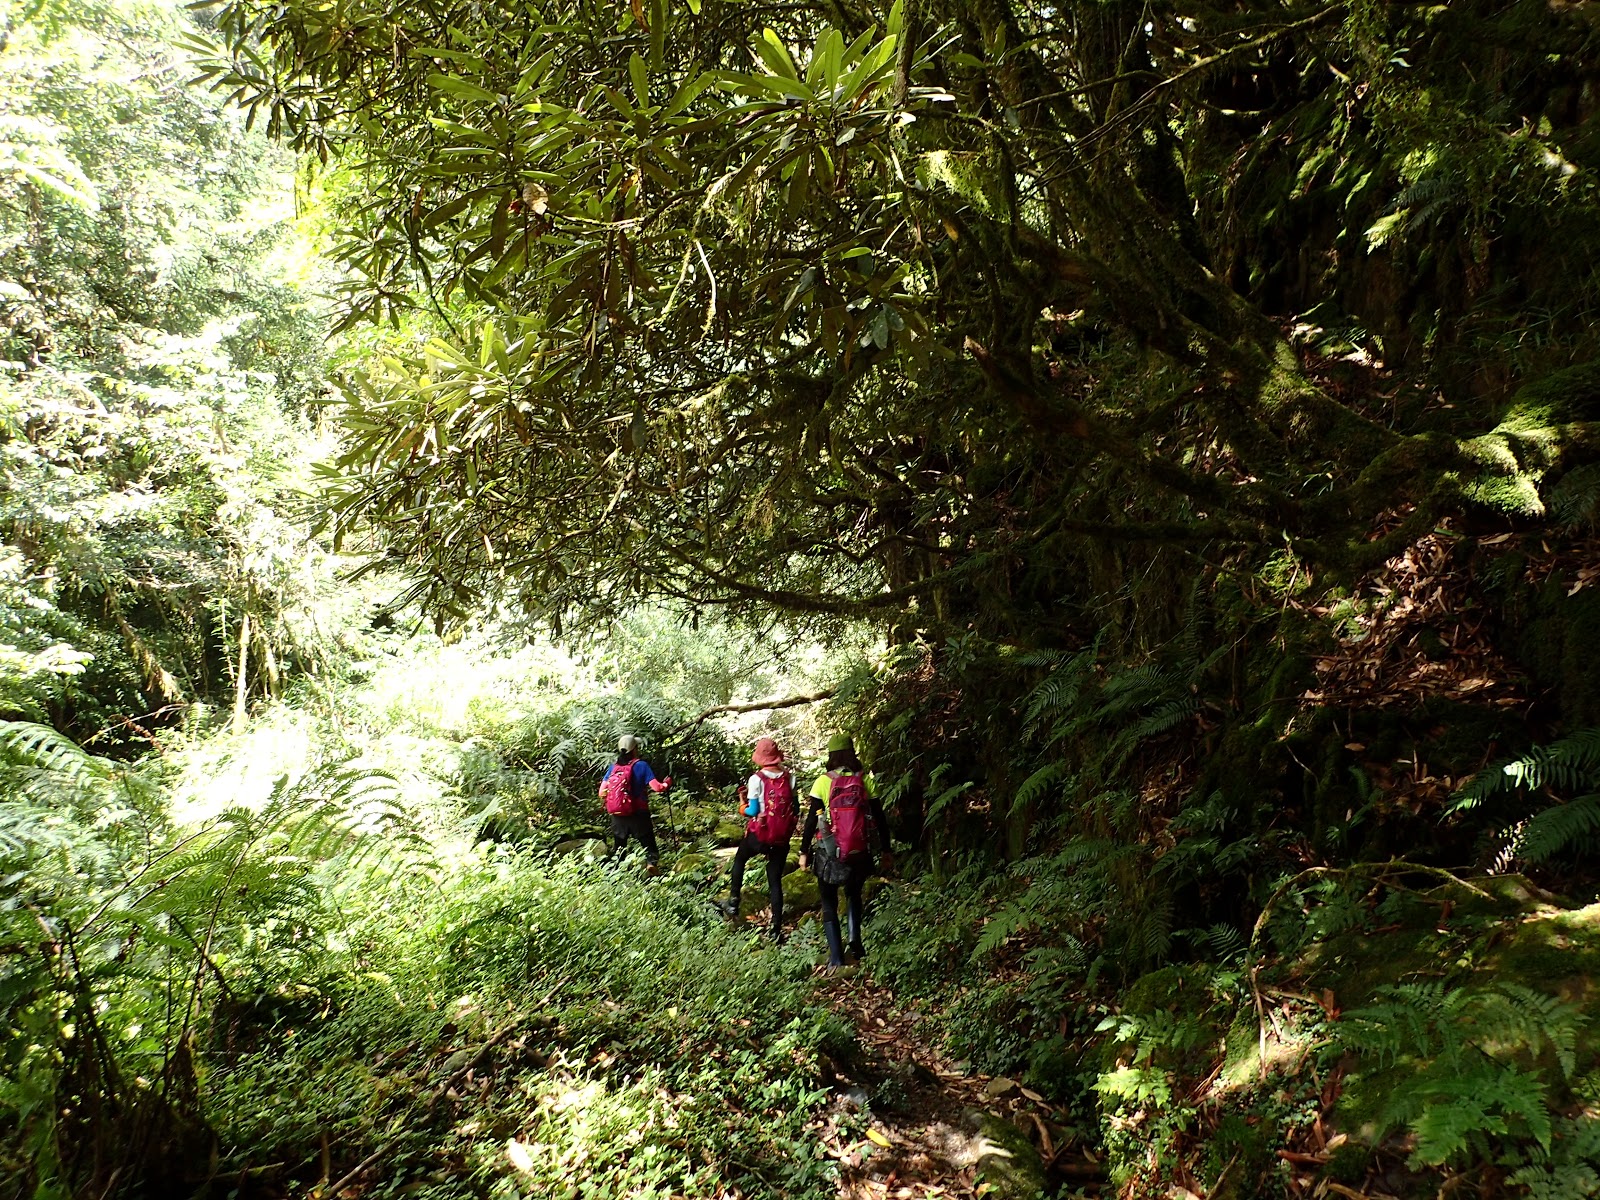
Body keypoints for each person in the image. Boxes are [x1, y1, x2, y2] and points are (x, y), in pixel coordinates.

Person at [799, 733, 892, 971]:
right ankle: (855, 941)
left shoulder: (823, 781)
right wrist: (886, 849)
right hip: (859, 850)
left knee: (828, 901)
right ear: (852, 753)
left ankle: (837, 958)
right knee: (853, 894)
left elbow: (811, 821)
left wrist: (803, 851)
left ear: (831, 755)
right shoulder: (864, 780)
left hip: (830, 852)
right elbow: (880, 818)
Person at [718, 737, 799, 941]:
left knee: (740, 858)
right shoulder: (790, 778)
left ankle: (733, 901)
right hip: (781, 838)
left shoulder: (757, 779)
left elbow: (753, 810)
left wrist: (742, 806)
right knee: (775, 880)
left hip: (760, 836)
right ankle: (776, 928)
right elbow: (795, 808)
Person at [599, 734, 670, 871]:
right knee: (648, 844)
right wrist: (666, 784)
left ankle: (617, 872)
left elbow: (602, 792)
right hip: (638, 813)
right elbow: (657, 787)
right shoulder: (641, 765)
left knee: (619, 848)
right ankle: (651, 864)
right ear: (634, 749)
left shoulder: (613, 768)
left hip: (618, 814)